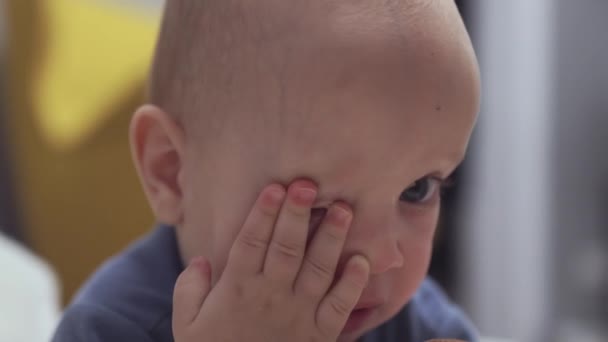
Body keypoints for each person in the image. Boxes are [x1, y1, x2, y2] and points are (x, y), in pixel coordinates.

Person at [52, 0, 481, 341]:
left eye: (418, 189)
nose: (383, 258)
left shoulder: (409, 321)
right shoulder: (108, 328)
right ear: (171, 171)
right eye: (319, 208)